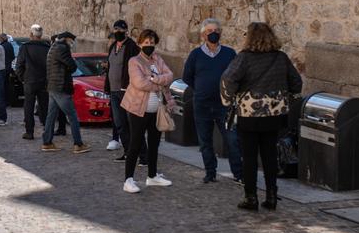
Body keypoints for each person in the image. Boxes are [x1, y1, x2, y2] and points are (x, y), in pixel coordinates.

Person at [221, 22, 302, 212]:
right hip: (274, 114)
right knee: (270, 155)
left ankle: (251, 197)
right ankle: (272, 195)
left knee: (249, 156)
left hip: (249, 114)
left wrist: (229, 99)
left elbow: (228, 79)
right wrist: (285, 97)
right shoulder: (281, 58)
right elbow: (296, 82)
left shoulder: (244, 58)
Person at [183, 18, 243, 183]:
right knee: (205, 141)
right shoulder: (195, 55)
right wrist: (201, 88)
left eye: (216, 30)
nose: (213, 34)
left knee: (232, 140)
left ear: (221, 33)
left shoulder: (229, 53)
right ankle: (210, 172)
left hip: (224, 106)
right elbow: (187, 76)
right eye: (209, 31)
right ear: (203, 35)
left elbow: (237, 75)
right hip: (202, 104)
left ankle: (239, 174)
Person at [120, 29, 175, 193]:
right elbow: (139, 83)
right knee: (135, 144)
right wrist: (159, 82)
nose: (149, 46)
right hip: (138, 109)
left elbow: (170, 75)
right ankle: (128, 180)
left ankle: (152, 176)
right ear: (139, 44)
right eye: (146, 43)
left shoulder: (158, 59)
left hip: (156, 110)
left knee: (154, 143)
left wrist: (154, 79)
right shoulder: (134, 61)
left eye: (151, 43)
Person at [41, 32, 91, 154]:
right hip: (61, 87)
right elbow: (72, 66)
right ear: (67, 39)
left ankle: (47, 142)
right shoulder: (63, 48)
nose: (72, 43)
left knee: (51, 116)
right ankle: (78, 144)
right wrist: (71, 61)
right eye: (71, 41)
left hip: (53, 87)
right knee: (72, 116)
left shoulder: (53, 47)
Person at [104, 20, 143, 165]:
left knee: (133, 125)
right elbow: (110, 67)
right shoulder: (113, 46)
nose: (117, 32)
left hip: (127, 91)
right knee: (120, 124)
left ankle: (143, 156)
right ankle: (128, 152)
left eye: (120, 29)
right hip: (114, 91)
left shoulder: (132, 47)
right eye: (115, 29)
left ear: (126, 31)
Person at [15, 25, 51, 140]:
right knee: (44, 106)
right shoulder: (47, 48)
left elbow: (19, 65)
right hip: (43, 81)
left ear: (31, 34)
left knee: (29, 107)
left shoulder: (25, 47)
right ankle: (47, 130)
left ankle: (29, 132)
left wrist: (23, 78)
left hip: (30, 81)